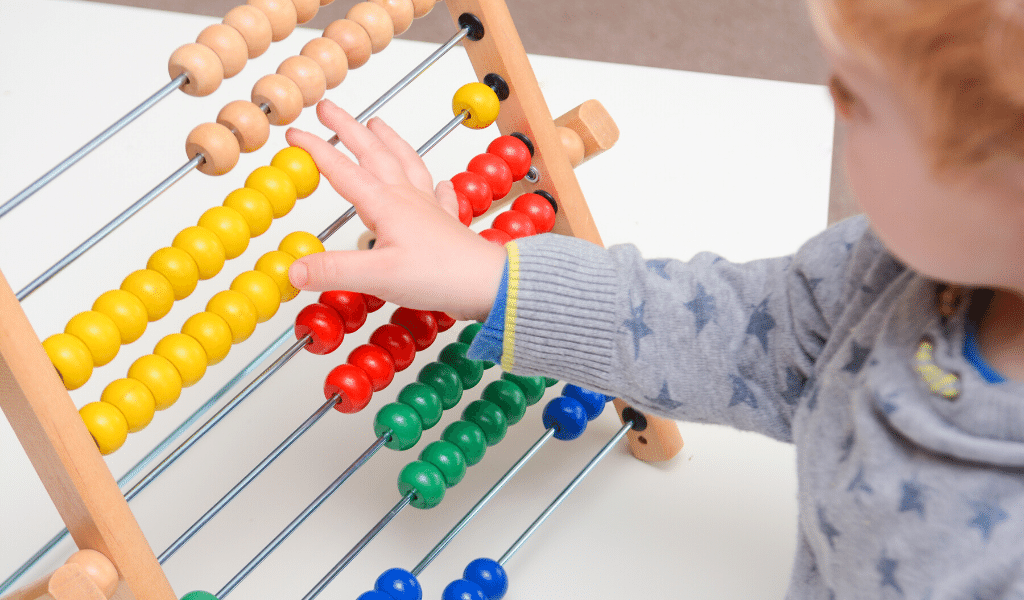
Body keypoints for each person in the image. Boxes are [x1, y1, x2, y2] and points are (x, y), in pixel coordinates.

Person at [284, 0, 1024, 596]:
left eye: (855, 100)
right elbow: (740, 333)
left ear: (996, 192)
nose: (834, 108)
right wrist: (489, 278)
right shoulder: (892, 275)